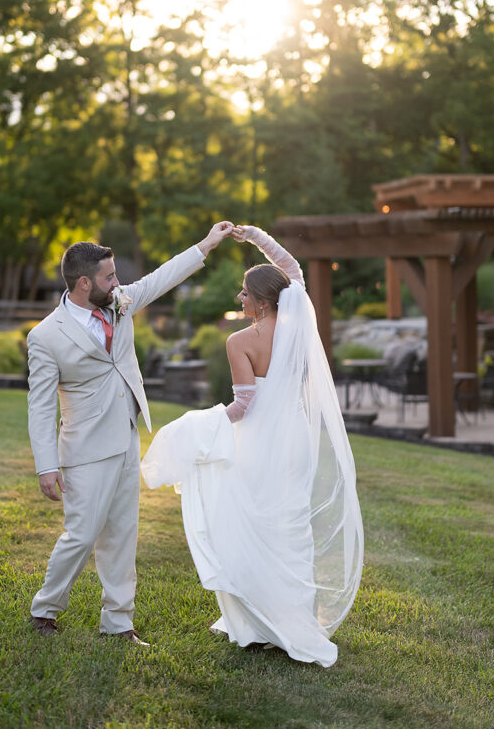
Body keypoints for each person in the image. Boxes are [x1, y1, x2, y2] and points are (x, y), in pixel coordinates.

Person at [141, 225, 363, 666]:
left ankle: (262, 623)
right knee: (290, 527)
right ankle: (291, 619)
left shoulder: (241, 341)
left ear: (261, 302)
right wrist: (256, 236)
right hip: (296, 439)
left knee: (254, 524)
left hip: (260, 441)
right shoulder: (298, 322)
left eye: (244, 293)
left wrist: (198, 425)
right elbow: (292, 269)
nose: (239, 299)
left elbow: (243, 405)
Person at [27, 221, 235, 643]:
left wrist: (207, 245)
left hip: (126, 439)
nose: (118, 282)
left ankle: (118, 622)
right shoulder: (45, 337)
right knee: (83, 535)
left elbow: (161, 278)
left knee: (122, 537)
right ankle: (45, 609)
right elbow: (40, 405)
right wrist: (46, 466)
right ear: (84, 283)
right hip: (84, 449)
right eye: (109, 276)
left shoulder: (120, 302)